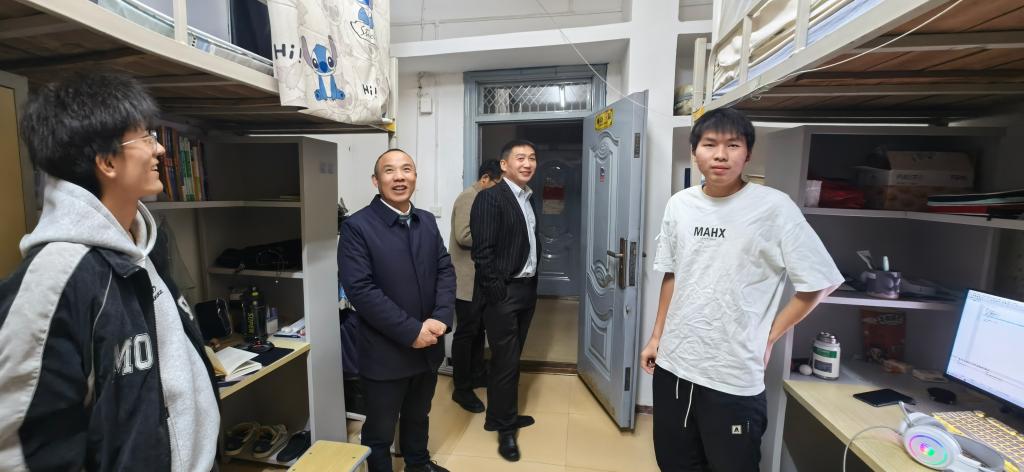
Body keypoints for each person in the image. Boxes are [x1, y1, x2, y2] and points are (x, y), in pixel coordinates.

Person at [0, 71, 220, 471]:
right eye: (146, 138)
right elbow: (23, 448)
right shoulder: (55, 278)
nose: (160, 149)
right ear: (106, 162)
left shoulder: (143, 249)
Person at [640, 108, 843, 471]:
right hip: (674, 365)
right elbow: (672, 274)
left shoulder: (773, 207)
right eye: (710, 144)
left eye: (733, 145)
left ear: (747, 154)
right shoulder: (680, 205)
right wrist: (657, 336)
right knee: (674, 462)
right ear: (694, 152)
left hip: (732, 375)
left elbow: (820, 282)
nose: (720, 155)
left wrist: (768, 336)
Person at [339, 149, 454, 472]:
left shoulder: (426, 221)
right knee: (380, 429)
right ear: (376, 181)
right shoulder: (357, 227)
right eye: (389, 171)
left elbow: (445, 270)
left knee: (419, 414)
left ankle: (418, 464)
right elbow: (361, 290)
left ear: (415, 177)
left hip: (428, 345)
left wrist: (441, 318)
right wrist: (411, 331)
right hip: (385, 351)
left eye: (407, 169)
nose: (399, 177)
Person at [470, 139, 541, 462]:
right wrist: (497, 293)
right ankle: (505, 428)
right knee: (505, 362)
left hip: (526, 290)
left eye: (532, 158)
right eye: (520, 157)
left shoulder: (528, 197)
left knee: (512, 359)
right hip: (504, 293)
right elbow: (482, 253)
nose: (527, 163)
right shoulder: (490, 198)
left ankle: (499, 415)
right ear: (504, 164)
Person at [449, 159, 503, 413]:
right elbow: (463, 235)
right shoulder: (468, 198)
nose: (498, 190)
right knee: (465, 334)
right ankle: (461, 388)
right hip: (466, 280)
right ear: (485, 179)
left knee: (479, 330)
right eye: (496, 184)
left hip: (480, 279)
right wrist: (496, 236)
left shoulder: (485, 198)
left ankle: (477, 374)